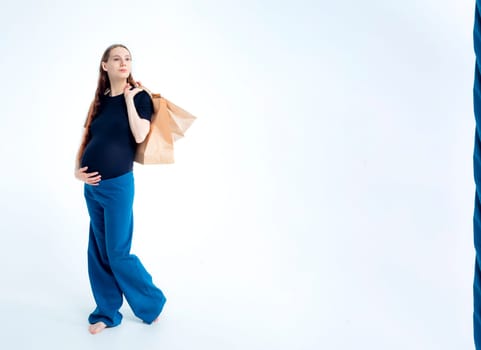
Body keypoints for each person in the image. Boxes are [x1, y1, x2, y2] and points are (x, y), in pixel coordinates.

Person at [74, 43, 166, 335]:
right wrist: (77, 169)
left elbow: (140, 133)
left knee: (117, 253)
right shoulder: (99, 101)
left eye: (127, 58)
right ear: (105, 65)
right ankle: (107, 312)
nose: (123, 62)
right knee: (99, 251)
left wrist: (128, 99)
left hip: (118, 186)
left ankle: (151, 303)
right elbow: (87, 137)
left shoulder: (140, 97)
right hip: (93, 188)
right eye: (116, 58)